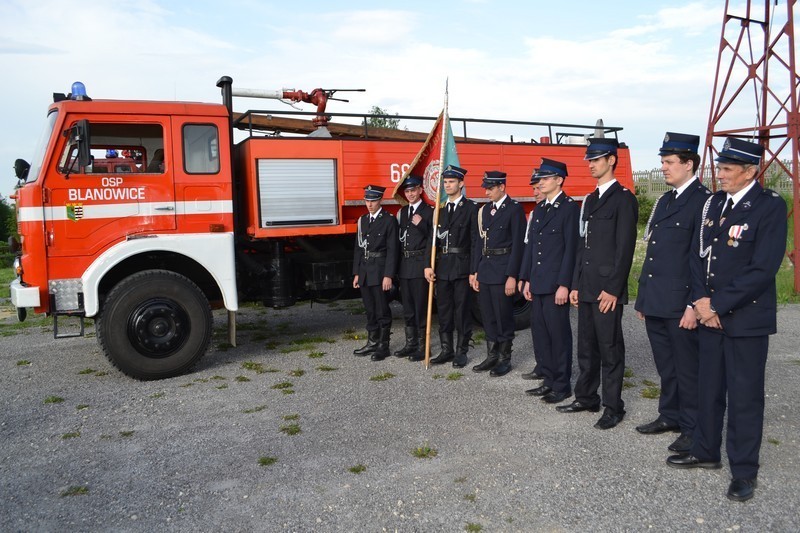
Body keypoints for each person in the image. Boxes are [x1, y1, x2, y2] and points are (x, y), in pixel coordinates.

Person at [667, 137, 787, 503]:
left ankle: (744, 470)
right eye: (719, 168)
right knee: (709, 388)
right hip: (710, 315)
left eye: (727, 170)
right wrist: (702, 302)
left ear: (750, 171)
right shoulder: (715, 204)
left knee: (745, 396)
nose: (719, 175)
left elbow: (762, 269)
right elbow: (699, 256)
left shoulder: (768, 207)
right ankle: (705, 451)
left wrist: (716, 305)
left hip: (745, 320)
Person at [634, 133, 710, 453]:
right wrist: (643, 297)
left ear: (688, 163)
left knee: (688, 370)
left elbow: (703, 258)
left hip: (682, 303)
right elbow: (654, 253)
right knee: (666, 365)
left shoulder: (704, 201)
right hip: (657, 299)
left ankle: (694, 429)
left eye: (668, 162)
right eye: (662, 162)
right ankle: (670, 415)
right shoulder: (666, 200)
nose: (663, 167)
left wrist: (694, 303)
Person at [560, 138, 638, 430]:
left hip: (607, 288)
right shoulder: (590, 199)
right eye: (589, 160)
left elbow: (624, 248)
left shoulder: (623, 199)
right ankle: (586, 396)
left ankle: (613, 406)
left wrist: (614, 289)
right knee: (587, 346)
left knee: (610, 348)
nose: (591, 164)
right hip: (589, 285)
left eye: (596, 159)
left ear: (611, 160)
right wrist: (577, 283)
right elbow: (584, 244)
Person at [519, 158, 579, 404]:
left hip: (556, 284)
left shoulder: (569, 208)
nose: (540, 183)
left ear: (559, 180)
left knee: (558, 335)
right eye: (539, 179)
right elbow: (532, 247)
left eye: (544, 178)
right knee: (541, 334)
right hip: (539, 282)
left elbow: (571, 250)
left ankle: (562, 385)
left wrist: (565, 284)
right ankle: (548, 380)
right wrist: (526, 279)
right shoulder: (541, 209)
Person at [470, 170, 526, 377]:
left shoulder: (514, 210)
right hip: (485, 269)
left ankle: (504, 359)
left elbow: (518, 245)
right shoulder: (485, 211)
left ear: (502, 187)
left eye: (490, 188)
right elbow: (479, 242)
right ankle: (492, 355)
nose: (487, 192)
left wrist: (513, 275)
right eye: (486, 188)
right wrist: (475, 270)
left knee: (503, 316)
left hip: (503, 270)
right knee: (488, 315)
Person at [425, 165, 478, 368]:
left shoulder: (472, 208)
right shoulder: (439, 211)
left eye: (452, 182)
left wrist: (474, 270)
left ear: (461, 184)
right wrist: (428, 266)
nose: (447, 185)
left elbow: (475, 242)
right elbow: (432, 241)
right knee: (444, 309)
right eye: (445, 182)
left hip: (462, 266)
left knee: (462, 310)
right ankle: (446, 349)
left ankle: (461, 351)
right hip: (443, 267)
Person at [352, 185, 398, 361]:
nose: (369, 204)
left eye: (373, 200)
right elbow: (358, 248)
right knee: (370, 309)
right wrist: (356, 273)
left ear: (380, 201)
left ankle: (383, 346)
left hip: (379, 270)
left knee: (381, 309)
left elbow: (392, 250)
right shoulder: (363, 220)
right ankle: (372, 342)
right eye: (367, 200)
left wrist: (388, 275)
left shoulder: (388, 220)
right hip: (364, 270)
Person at [394, 175, 434, 361]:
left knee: (420, 306)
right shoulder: (402, 212)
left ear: (420, 190)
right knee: (408, 307)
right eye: (407, 191)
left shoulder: (429, 212)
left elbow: (433, 241)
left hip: (419, 264)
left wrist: (422, 225)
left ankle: (423, 346)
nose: (410, 194)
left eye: (413, 190)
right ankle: (410, 344)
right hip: (405, 265)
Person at [519, 176, 546, 381]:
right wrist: (524, 277)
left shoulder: (565, 209)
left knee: (554, 331)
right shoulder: (535, 213)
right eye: (534, 188)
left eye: (538, 188)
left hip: (552, 282)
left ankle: (556, 375)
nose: (535, 192)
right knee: (537, 328)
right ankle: (542, 366)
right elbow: (529, 247)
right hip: (535, 279)